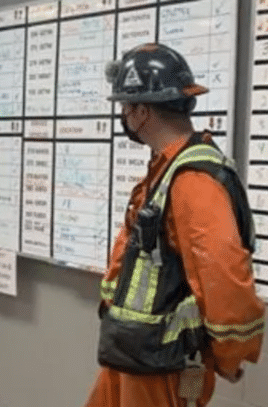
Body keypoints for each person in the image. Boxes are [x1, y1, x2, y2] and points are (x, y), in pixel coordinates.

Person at [86, 44, 265, 407]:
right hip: (133, 350)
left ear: (140, 112)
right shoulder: (166, 170)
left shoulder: (193, 181)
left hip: (165, 365)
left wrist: (231, 354)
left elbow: (223, 275)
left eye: (125, 107)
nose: (124, 117)